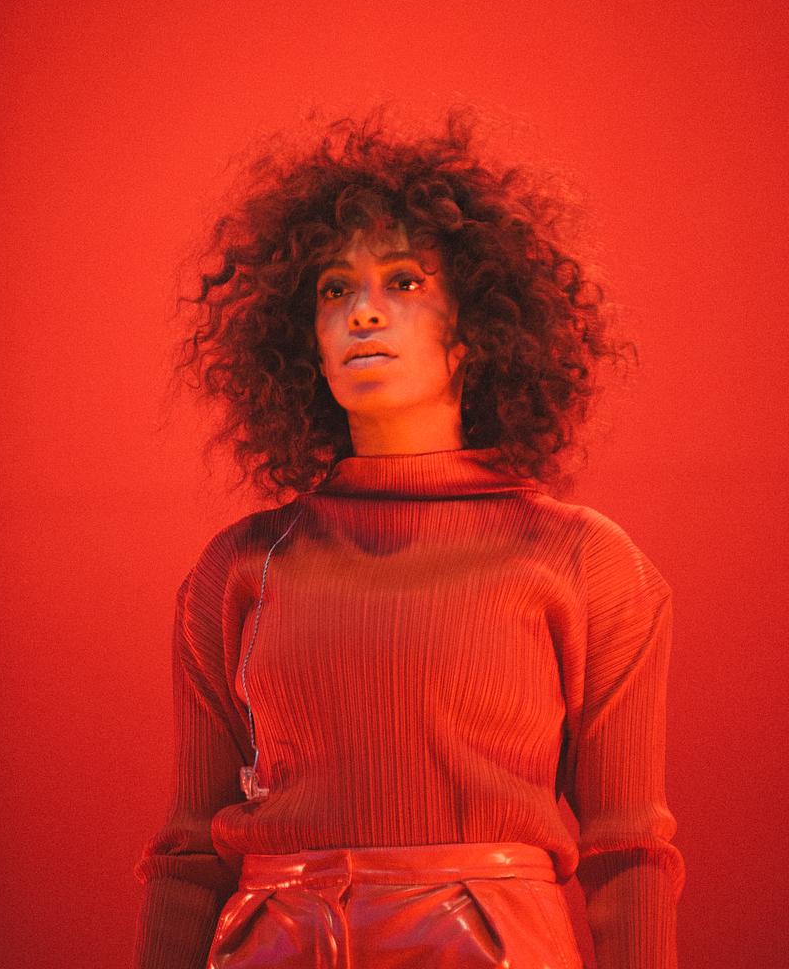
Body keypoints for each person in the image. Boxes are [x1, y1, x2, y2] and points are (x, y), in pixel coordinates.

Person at [133, 107, 686, 969]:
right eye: (334, 290)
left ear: (473, 331)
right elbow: (189, 852)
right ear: (306, 345)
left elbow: (629, 852)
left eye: (403, 281)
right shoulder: (239, 568)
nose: (364, 313)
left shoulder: (585, 562)